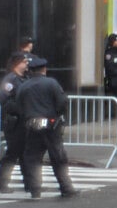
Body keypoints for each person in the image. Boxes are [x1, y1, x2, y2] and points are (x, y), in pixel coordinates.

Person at [16, 55, 78, 199]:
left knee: (32, 158)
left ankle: (35, 189)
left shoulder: (23, 86)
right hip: (51, 124)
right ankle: (66, 187)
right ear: (44, 69)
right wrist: (59, 115)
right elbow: (62, 102)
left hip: (32, 124)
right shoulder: (51, 83)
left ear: (30, 70)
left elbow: (18, 106)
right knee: (58, 156)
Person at [0, 52, 30, 193]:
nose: (27, 64)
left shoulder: (24, 78)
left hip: (24, 122)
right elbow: (4, 100)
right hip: (14, 123)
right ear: (17, 63)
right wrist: (22, 109)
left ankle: (30, 183)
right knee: (12, 154)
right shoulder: (10, 80)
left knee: (25, 154)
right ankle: (1, 183)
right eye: (24, 61)